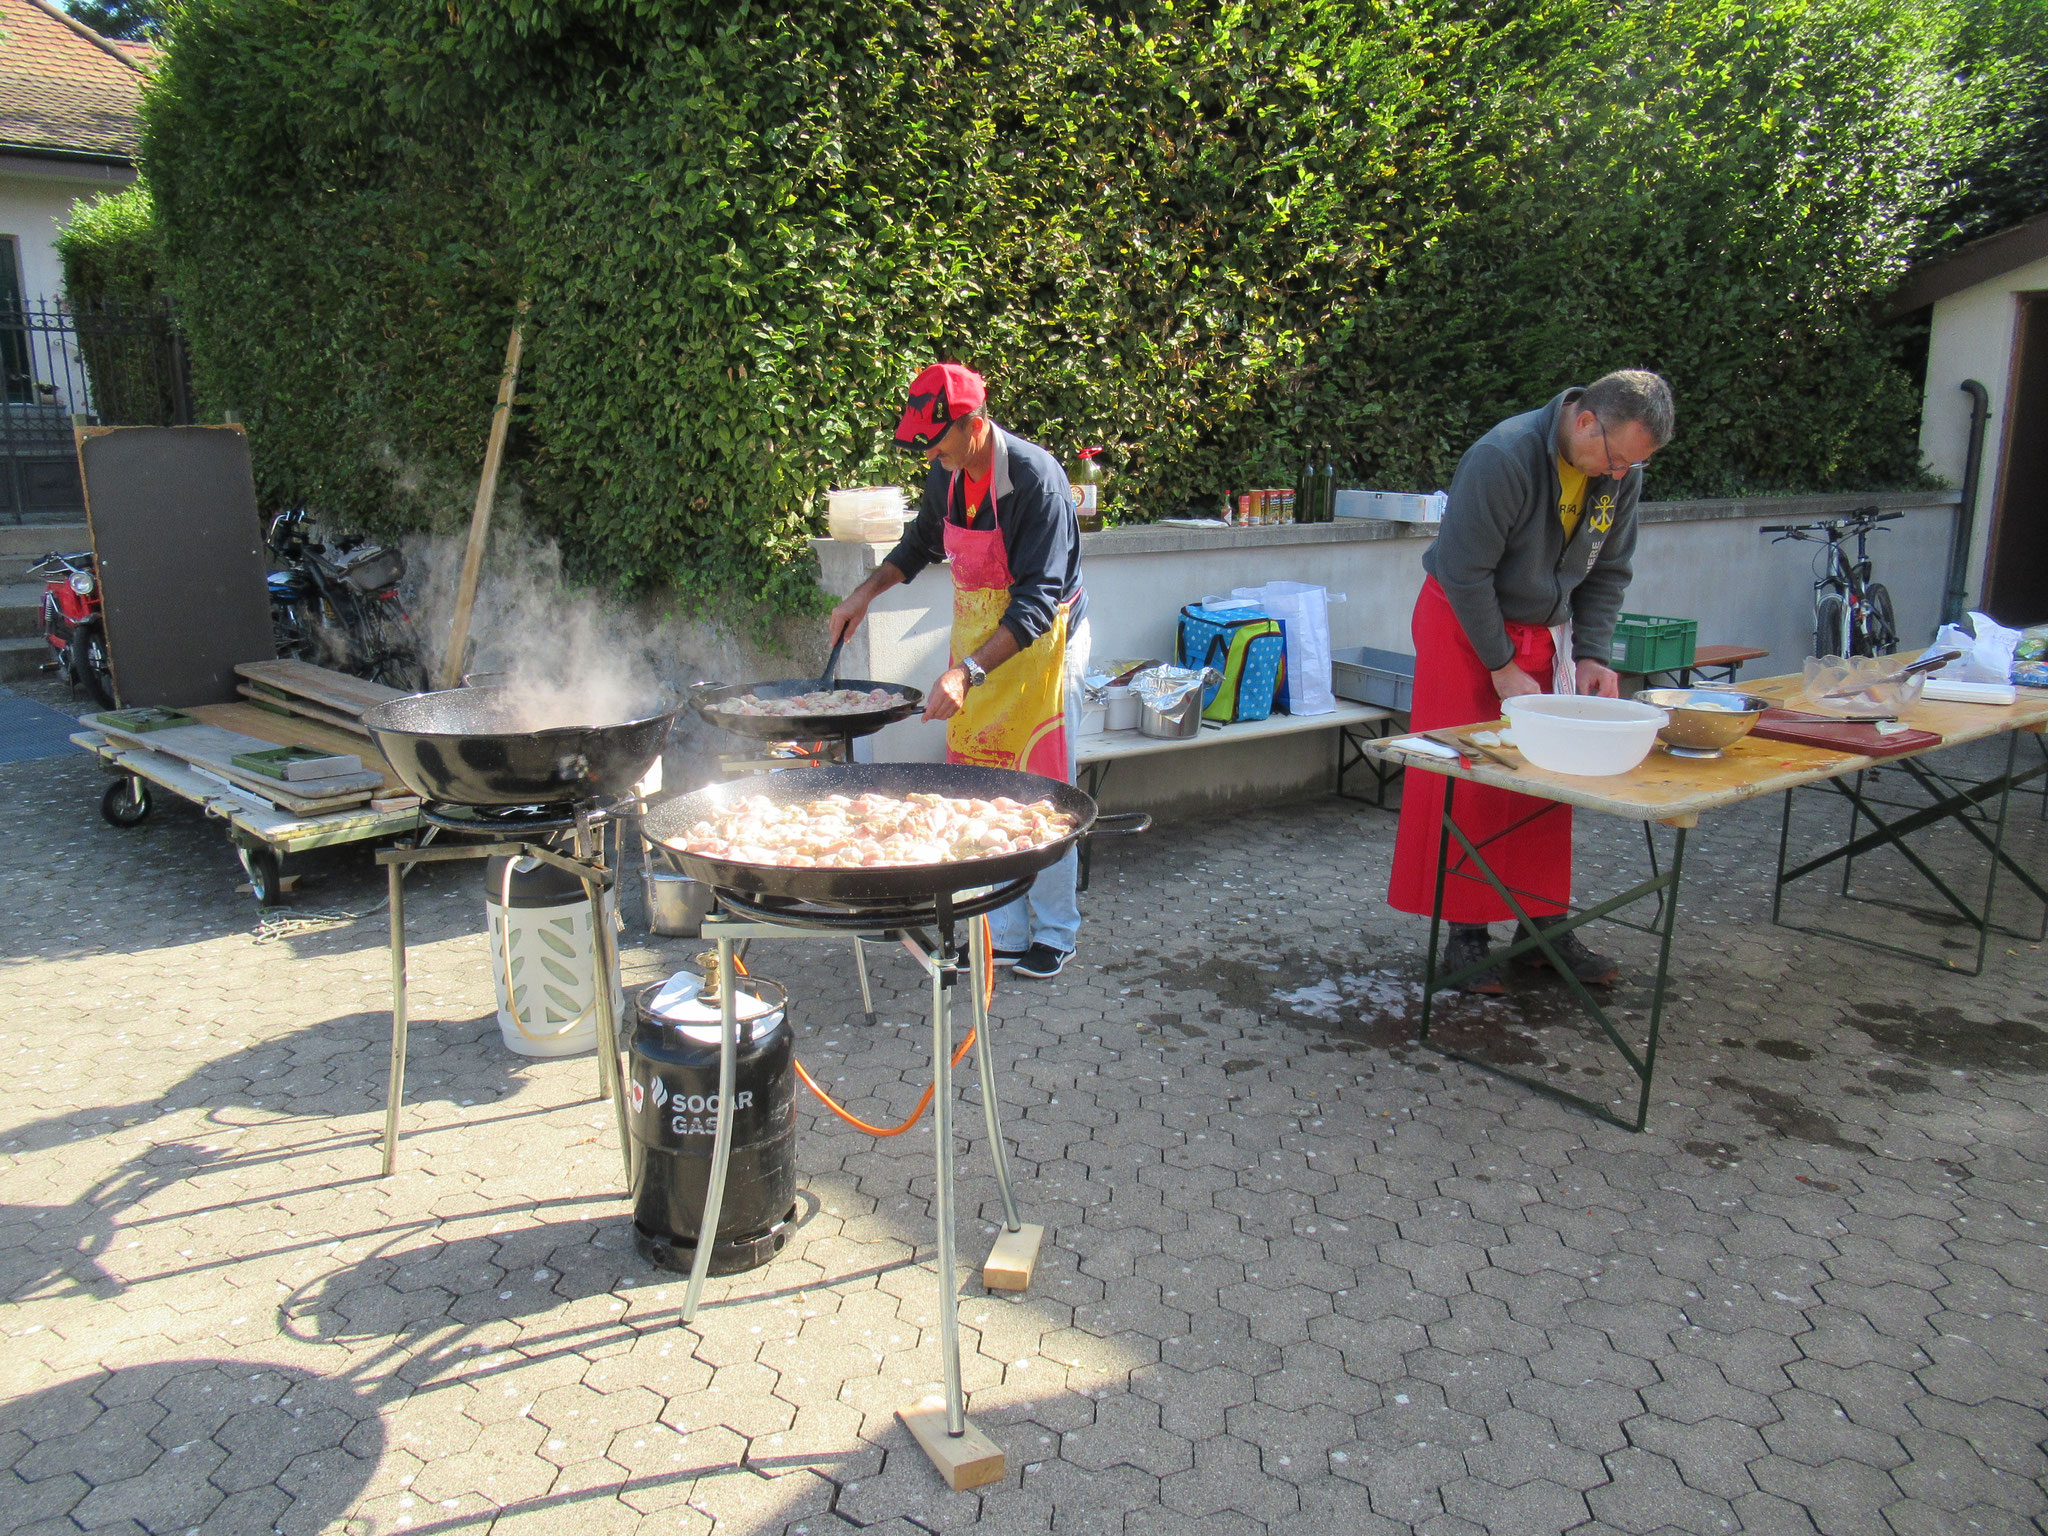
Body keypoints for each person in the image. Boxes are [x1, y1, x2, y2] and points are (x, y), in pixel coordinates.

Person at [1387, 370, 1676, 991]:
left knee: (1548, 776)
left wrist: (1595, 655)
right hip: (1464, 626)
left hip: (1545, 633)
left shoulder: (1620, 476)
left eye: (1631, 466)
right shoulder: (1502, 457)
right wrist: (1500, 664)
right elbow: (1465, 573)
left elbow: (1608, 572)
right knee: (1470, 773)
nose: (1618, 474)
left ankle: (1541, 930)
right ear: (1584, 422)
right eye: (1615, 458)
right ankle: (1466, 938)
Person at [828, 363, 1089, 979]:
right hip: (980, 639)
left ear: (973, 424)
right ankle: (1002, 930)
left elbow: (1037, 602)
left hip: (1044, 643)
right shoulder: (946, 475)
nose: (932, 453)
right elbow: (918, 545)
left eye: (938, 438)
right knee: (978, 778)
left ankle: (1055, 930)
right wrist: (865, 593)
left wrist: (965, 673)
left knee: (1043, 782)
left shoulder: (1035, 482)